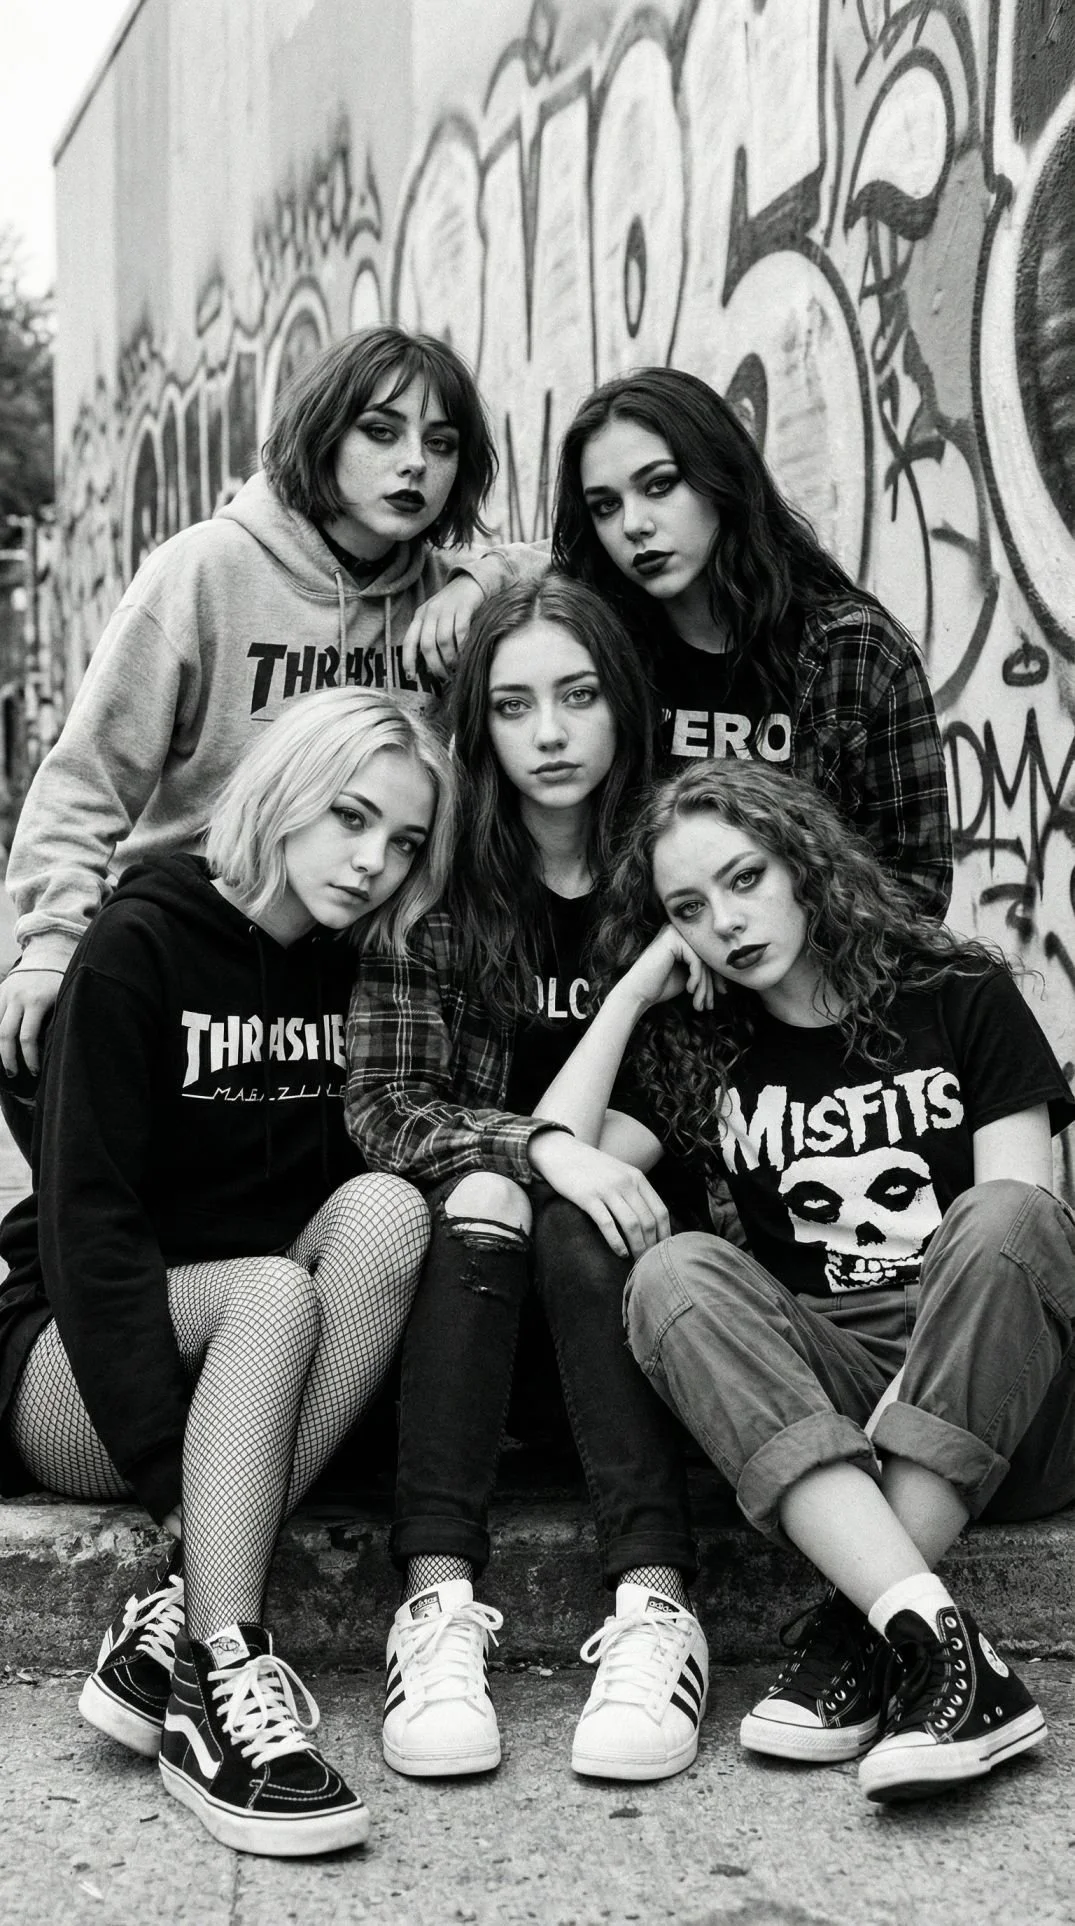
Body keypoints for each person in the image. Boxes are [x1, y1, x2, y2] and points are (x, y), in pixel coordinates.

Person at [531, 759, 1075, 1805]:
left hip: (1002, 1395)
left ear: (803, 865)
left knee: (1006, 1217)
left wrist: (905, 1409)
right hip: (829, 1417)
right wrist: (641, 984)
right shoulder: (705, 1050)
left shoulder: (954, 990)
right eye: (690, 907)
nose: (727, 921)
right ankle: (943, 1652)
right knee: (672, 1272)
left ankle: (854, 1639)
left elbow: (1025, 1234)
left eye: (744, 878)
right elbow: (560, 1144)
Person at [0, 687, 457, 1855]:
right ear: (286, 793)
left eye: (403, 842)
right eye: (350, 818)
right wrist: (172, 1480)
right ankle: (222, 1666)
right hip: (78, 1368)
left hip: (258, 1360)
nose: (372, 862)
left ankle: (186, 1623)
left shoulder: (353, 969)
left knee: (385, 1212)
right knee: (266, 1284)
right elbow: (88, 1239)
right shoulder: (136, 946)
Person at [345, 577, 707, 1785]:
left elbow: (707, 1099)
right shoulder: (437, 891)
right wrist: (545, 1151)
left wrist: (599, 1150)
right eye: (513, 705)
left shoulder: (678, 875)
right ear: (478, 725)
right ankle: (436, 1602)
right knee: (496, 1199)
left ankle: (656, 1603)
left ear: (623, 705)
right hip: (476, 1332)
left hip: (632, 1316)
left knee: (569, 1223)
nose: (548, 734)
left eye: (577, 696)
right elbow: (387, 1106)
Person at [0, 323, 512, 1126]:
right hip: (194, 939)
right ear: (322, 433)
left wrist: (481, 579)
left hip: (356, 954)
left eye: (441, 444)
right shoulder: (208, 570)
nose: (414, 462)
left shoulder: (441, 601)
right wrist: (52, 939)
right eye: (381, 432)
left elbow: (575, 562)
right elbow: (88, 775)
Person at [404, 365, 952, 917]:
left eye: (660, 485)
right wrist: (477, 579)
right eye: (605, 506)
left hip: (809, 979)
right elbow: (554, 563)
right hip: (629, 973)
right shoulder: (603, 638)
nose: (634, 525)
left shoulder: (851, 652)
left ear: (721, 478)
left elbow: (917, 882)